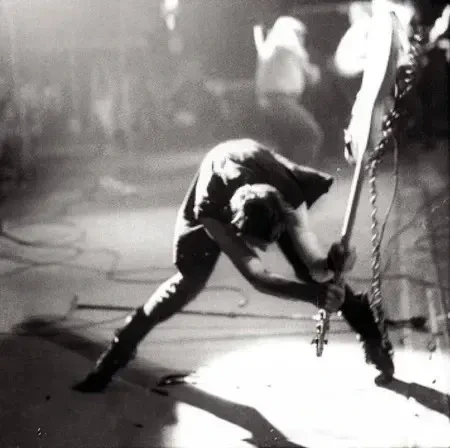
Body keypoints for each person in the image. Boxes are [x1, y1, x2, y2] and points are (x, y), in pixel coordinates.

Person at [73, 138, 394, 393]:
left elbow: (315, 266)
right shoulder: (212, 211)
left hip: (262, 168)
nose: (266, 250)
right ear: (237, 230)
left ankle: (370, 333)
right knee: (190, 280)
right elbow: (257, 276)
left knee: (308, 273)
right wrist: (313, 296)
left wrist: (332, 263)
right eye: (259, 243)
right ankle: (122, 346)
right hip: (216, 184)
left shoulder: (288, 197)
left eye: (273, 239)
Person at [254, 16, 323, 165]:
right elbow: (312, 76)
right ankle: (298, 173)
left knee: (287, 144)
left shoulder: (271, 46)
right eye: (300, 34)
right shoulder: (290, 45)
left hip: (269, 102)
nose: (302, 39)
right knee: (311, 135)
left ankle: (280, 174)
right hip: (282, 101)